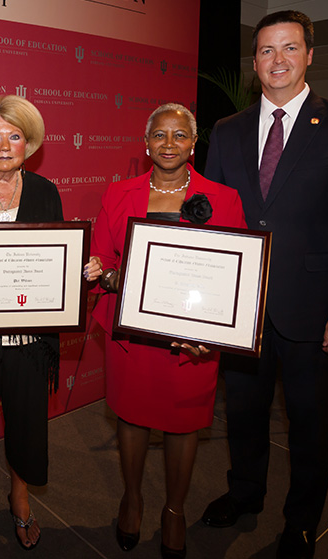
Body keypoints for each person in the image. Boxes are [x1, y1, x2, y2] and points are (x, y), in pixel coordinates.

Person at [202, 10, 328, 559]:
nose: (278, 61)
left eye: (289, 48)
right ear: (254, 63)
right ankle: (244, 494)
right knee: (242, 413)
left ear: (310, 55)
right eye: (267, 51)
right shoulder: (228, 131)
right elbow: (213, 223)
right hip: (242, 308)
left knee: (309, 425)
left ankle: (301, 521)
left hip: (314, 309)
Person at [0, 95, 102, 550]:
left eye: (15, 136)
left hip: (31, 340)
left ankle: (22, 496)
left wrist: (80, 271)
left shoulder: (46, 191)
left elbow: (55, 261)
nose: (5, 146)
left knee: (29, 425)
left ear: (29, 144)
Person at [91, 103, 245, 558]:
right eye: (160, 135)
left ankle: (174, 510)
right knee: (132, 416)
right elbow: (104, 262)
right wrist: (116, 276)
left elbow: (231, 275)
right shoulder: (119, 194)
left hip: (192, 340)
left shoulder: (225, 198)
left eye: (180, 136)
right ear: (146, 144)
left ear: (194, 144)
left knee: (184, 423)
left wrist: (214, 332)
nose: (170, 144)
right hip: (134, 334)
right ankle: (133, 497)